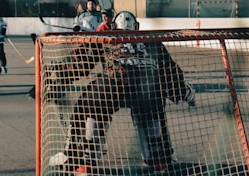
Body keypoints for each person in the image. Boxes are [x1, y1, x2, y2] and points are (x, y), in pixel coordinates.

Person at [48, 11, 195, 174]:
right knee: (153, 112)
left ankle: (80, 158)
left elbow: (81, 60)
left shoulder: (107, 38)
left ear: (113, 26)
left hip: (113, 83)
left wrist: (58, 73)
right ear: (136, 26)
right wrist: (183, 91)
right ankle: (160, 157)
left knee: (87, 105)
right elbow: (169, 70)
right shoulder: (150, 41)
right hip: (146, 88)